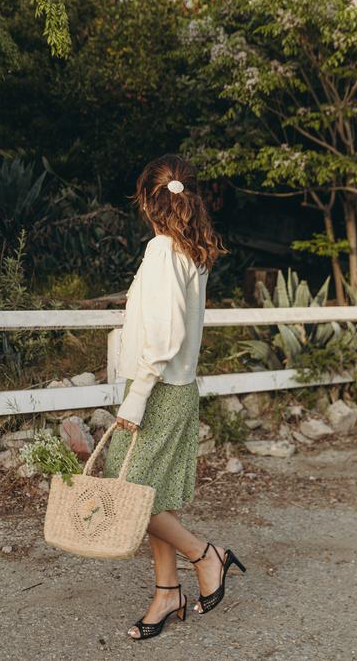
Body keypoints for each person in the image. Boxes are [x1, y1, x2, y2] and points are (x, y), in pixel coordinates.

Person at [102, 153, 246, 640]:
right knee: (154, 492)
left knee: (129, 494)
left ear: (147, 199)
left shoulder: (164, 250)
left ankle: (206, 555)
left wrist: (136, 396)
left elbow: (162, 339)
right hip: (173, 387)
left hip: (157, 390)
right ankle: (168, 593)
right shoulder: (192, 249)